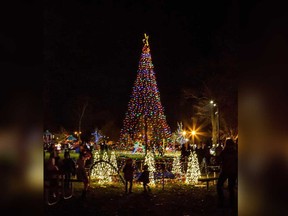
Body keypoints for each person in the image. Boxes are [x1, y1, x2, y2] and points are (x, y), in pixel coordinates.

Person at [216, 138, 238, 208]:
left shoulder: (224, 152)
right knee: (231, 187)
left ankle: (222, 200)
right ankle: (231, 202)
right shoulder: (235, 152)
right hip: (232, 171)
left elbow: (218, 160)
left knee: (220, 185)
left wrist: (218, 157)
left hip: (226, 171)